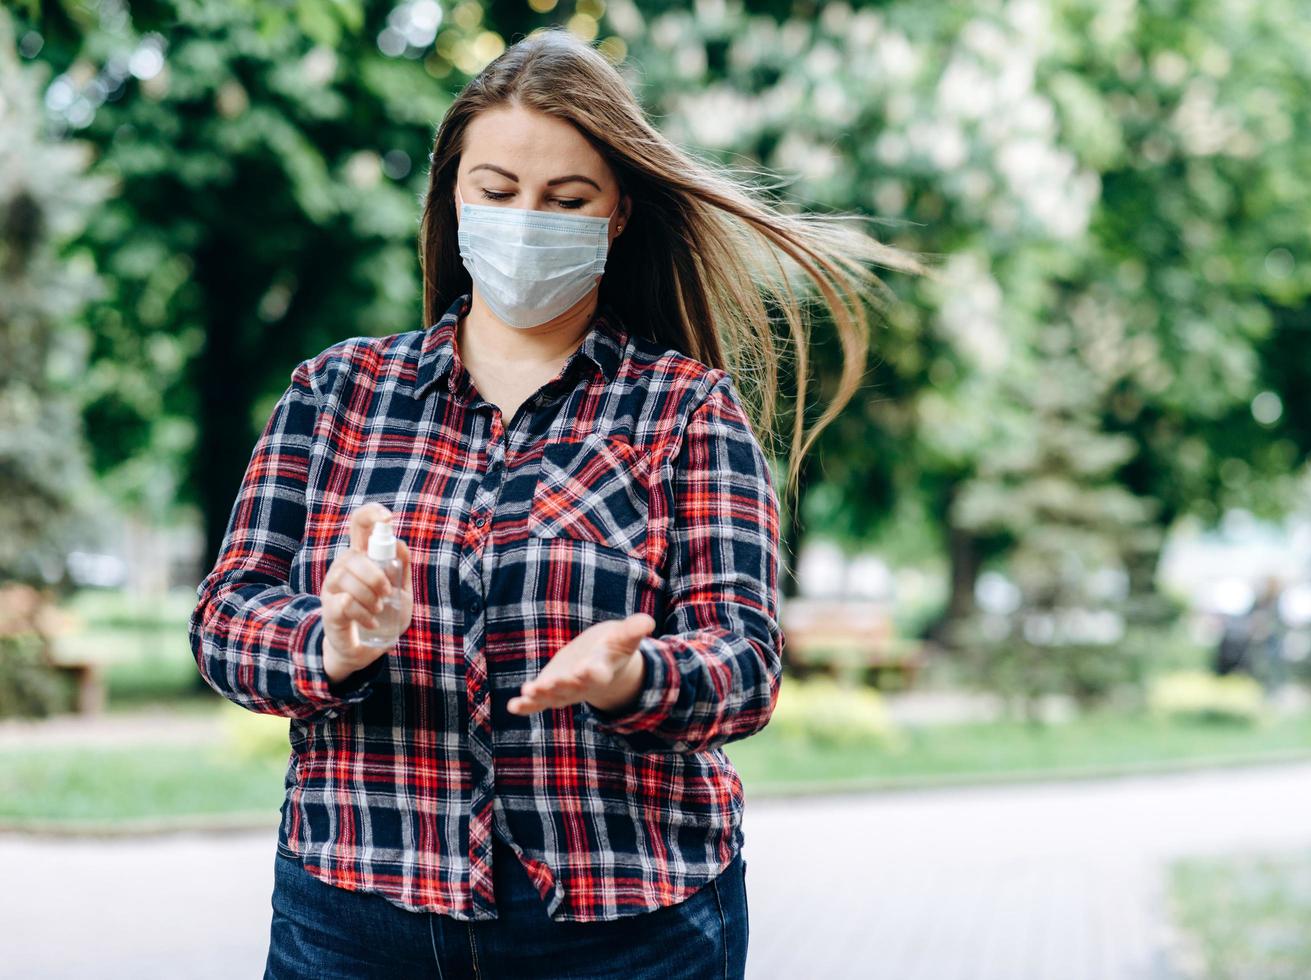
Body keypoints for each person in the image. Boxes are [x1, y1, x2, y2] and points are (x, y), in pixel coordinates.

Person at [189, 27, 923, 980]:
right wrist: (335, 643)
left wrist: (631, 679)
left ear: (617, 213)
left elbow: (744, 664)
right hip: (357, 914)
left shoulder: (685, 411)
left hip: (627, 927)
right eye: (496, 192)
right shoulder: (339, 394)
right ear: (453, 197)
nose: (526, 219)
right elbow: (224, 618)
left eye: (566, 199)